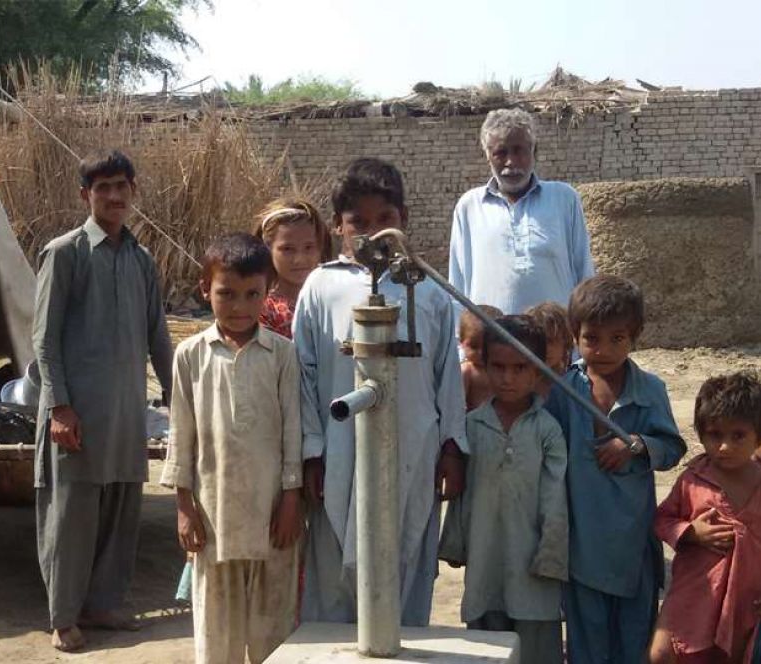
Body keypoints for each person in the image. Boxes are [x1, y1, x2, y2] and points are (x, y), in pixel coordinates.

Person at [293, 157, 467, 626]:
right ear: (338, 227)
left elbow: (447, 371)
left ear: (403, 221)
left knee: (406, 548)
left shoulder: (426, 289)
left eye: (384, 220)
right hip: (340, 449)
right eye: (359, 223)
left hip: (413, 445)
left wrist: (453, 445)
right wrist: (312, 450)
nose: (372, 233)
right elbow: (305, 374)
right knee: (334, 559)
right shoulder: (322, 286)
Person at [32, 149, 173, 652]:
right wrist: (59, 407)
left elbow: (158, 337)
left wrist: (178, 400)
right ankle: (63, 616)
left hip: (126, 413)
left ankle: (104, 605)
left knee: (120, 509)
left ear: (133, 190)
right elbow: (44, 340)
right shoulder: (65, 253)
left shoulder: (141, 259)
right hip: (77, 413)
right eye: (102, 188)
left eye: (121, 186)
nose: (114, 196)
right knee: (71, 517)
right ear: (85, 195)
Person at [160, 233, 302, 664]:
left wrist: (291, 500)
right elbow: (181, 436)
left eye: (250, 294)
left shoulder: (281, 355)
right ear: (206, 289)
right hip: (213, 515)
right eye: (226, 293)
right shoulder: (190, 355)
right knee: (215, 630)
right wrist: (184, 507)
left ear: (267, 292)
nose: (239, 306)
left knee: (272, 629)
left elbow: (292, 431)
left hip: (271, 513)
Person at [545, 274, 686, 663]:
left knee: (633, 641)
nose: (603, 350)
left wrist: (638, 445)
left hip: (631, 545)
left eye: (617, 339)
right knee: (586, 644)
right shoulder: (563, 390)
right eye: (591, 338)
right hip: (580, 546)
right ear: (575, 336)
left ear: (635, 336)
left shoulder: (650, 390)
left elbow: (673, 447)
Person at [439, 315, 568, 663]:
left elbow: (555, 498)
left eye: (520, 368)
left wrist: (551, 555)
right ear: (485, 365)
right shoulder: (473, 425)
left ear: (537, 370)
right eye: (498, 367)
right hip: (484, 561)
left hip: (533, 564)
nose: (508, 378)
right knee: (487, 647)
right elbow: (461, 496)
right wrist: (455, 544)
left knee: (536, 647)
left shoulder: (547, 430)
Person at [649, 372, 761, 663]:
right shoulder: (694, 480)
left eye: (738, 436)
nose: (724, 447)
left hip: (746, 601)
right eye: (715, 435)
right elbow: (663, 519)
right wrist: (691, 532)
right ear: (701, 432)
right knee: (663, 654)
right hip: (696, 593)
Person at [448, 108, 594, 317]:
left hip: (554, 342)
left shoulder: (563, 198)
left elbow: (584, 273)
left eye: (519, 151)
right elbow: (458, 283)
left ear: (534, 152)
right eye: (500, 152)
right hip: (492, 341)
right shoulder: (470, 206)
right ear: (487, 155)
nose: (510, 162)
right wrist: (460, 343)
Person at [254, 197, 333, 338]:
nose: (299, 259)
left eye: (309, 247)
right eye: (288, 249)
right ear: (267, 249)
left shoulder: (332, 302)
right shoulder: (263, 310)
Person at [458, 304, 502, 411]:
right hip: (475, 423)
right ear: (461, 342)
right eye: (474, 346)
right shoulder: (467, 371)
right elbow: (457, 404)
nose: (481, 352)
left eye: (487, 346)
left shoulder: (503, 368)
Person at [526, 301, 573, 396]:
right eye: (539, 340)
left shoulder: (576, 383)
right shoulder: (521, 383)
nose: (545, 348)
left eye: (551, 341)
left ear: (566, 341)